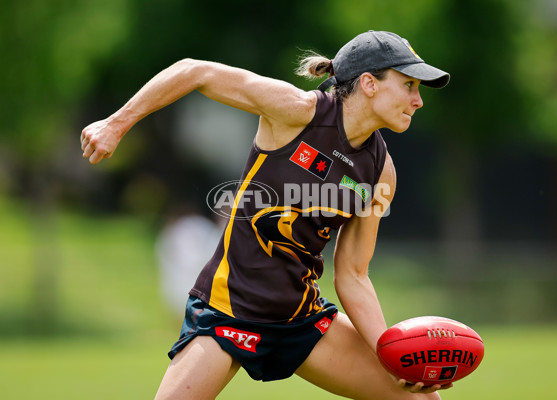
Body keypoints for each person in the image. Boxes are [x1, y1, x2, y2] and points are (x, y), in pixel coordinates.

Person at [81, 30, 451, 400]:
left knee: (421, 398)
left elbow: (354, 275)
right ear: (369, 83)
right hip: (227, 313)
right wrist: (116, 124)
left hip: (300, 321)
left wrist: (392, 357)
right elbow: (195, 71)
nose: (418, 100)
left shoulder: (381, 172)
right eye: (409, 85)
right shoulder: (297, 110)